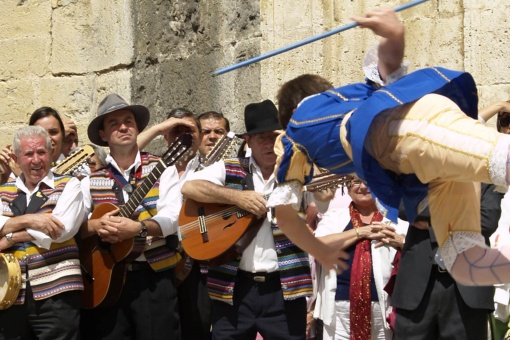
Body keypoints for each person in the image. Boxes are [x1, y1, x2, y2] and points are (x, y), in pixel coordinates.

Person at [267, 7, 510, 287]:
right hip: (419, 156)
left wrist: (319, 249)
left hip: (402, 131)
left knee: (501, 160)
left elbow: (283, 215)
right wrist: (394, 35)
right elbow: (390, 68)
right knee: (467, 265)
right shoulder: (359, 92)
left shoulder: (295, 132)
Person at [181, 99, 314, 339]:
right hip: (234, 288)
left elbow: (326, 198)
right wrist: (236, 197)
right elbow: (189, 187)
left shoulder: (298, 170)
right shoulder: (230, 168)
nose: (269, 144)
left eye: (274, 136)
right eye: (261, 138)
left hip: (283, 289)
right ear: (248, 141)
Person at [79, 93, 182, 339]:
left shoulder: (162, 168)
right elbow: (75, 228)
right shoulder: (90, 180)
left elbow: (173, 218)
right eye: (114, 123)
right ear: (103, 136)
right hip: (105, 280)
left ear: (137, 128)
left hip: (153, 279)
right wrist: (96, 224)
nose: (123, 127)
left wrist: (138, 229)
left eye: (128, 121)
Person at [0, 125, 84, 339]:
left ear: (50, 154)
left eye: (41, 152)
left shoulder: (69, 184)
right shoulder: (3, 191)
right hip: (9, 294)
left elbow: (62, 229)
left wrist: (11, 235)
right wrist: (33, 220)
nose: (36, 160)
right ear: (17, 159)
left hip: (58, 294)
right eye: (28, 154)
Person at [392, 182, 502, 340]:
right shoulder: (420, 170)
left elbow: (486, 221)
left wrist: (431, 223)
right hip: (417, 286)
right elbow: (404, 206)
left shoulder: (487, 178)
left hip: (467, 291)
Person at [313, 176, 407, 340]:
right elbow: (317, 247)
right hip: (339, 307)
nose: (363, 186)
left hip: (383, 308)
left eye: (368, 180)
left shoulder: (396, 220)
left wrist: (400, 242)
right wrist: (361, 232)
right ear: (347, 186)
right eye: (356, 181)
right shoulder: (334, 216)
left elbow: (416, 251)